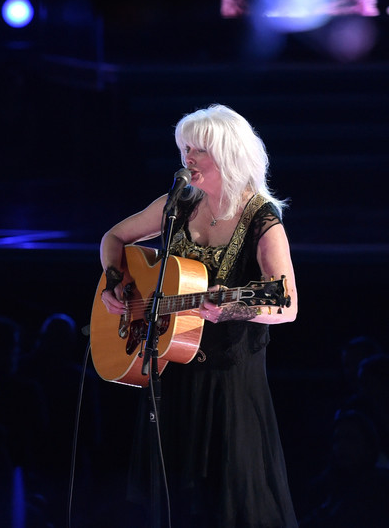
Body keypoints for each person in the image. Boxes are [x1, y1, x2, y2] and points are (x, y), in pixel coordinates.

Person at [98, 104, 299, 527]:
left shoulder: (262, 220)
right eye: (185, 149)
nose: (186, 159)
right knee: (176, 505)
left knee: (230, 503)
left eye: (197, 151)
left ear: (227, 153)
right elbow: (115, 236)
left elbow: (287, 304)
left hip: (230, 377)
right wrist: (117, 281)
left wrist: (231, 308)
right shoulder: (180, 204)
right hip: (171, 370)